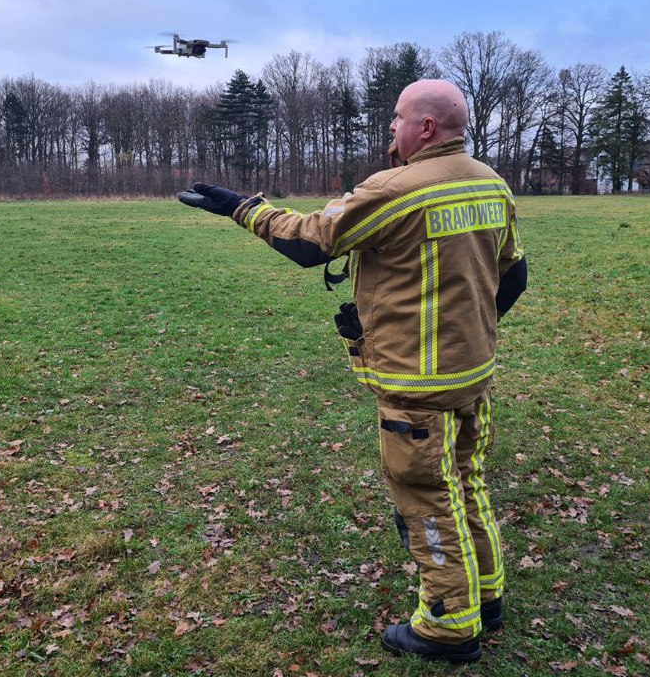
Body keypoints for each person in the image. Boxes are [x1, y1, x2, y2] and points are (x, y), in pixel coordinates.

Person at [178, 79, 527, 663]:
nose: (390, 128)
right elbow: (511, 277)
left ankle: (447, 625)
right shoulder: (491, 185)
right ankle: (485, 597)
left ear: (425, 128)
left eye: (396, 118)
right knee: (466, 483)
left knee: (424, 497)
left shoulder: (396, 189)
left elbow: (312, 241)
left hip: (417, 386)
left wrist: (242, 207)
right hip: (472, 375)